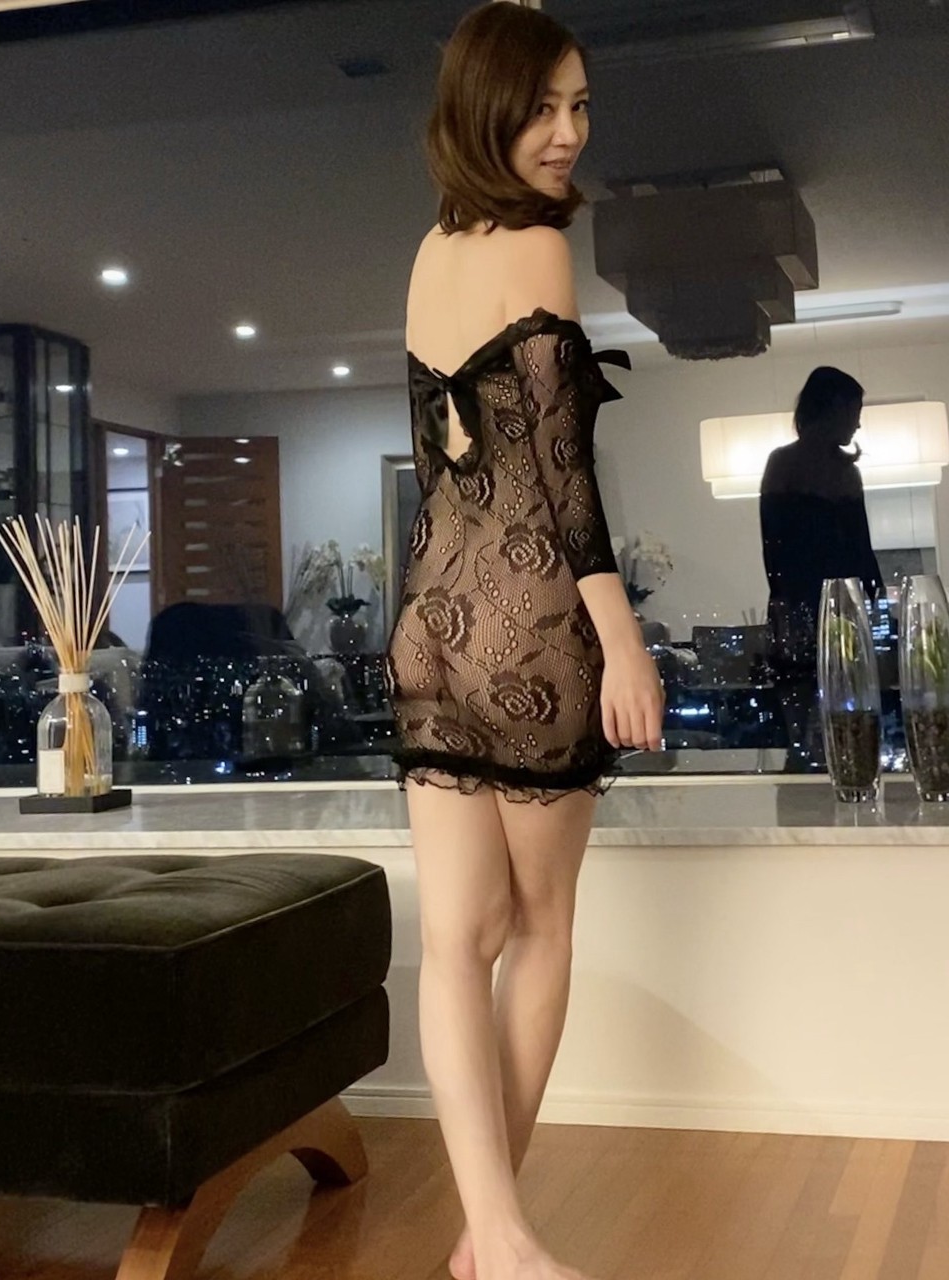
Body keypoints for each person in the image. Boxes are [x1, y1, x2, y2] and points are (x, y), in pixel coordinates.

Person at [385, 5, 664, 1279]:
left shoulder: (431, 253)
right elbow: (562, 479)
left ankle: (485, 1234)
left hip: (427, 627)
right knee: (540, 927)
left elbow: (445, 463)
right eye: (544, 106)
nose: (568, 132)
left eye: (581, 105)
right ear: (485, 109)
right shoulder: (538, 248)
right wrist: (624, 641)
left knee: (455, 940)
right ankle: (496, 1234)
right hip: (530, 631)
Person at [760, 365, 884, 769]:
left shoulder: (845, 471)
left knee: (848, 713)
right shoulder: (786, 463)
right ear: (831, 410)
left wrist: (872, 601)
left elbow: (861, 548)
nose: (858, 423)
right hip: (803, 612)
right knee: (804, 721)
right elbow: (778, 552)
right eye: (854, 412)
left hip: (836, 610)